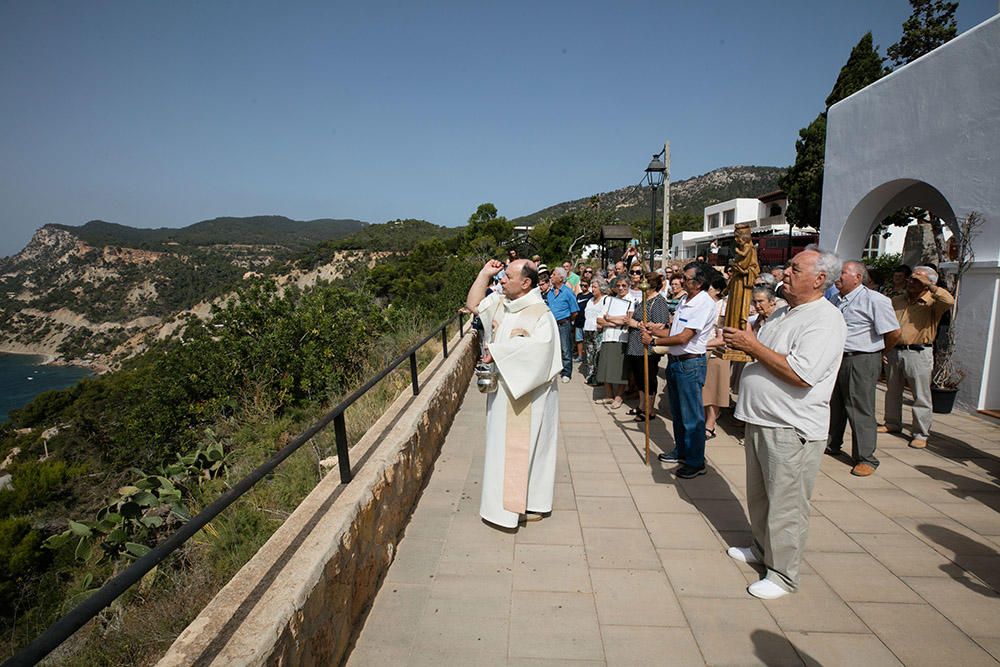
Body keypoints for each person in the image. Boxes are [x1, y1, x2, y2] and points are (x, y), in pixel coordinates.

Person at [722, 248, 846, 599]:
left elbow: (801, 374)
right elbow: (763, 353)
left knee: (786, 504)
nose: (785, 272)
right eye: (788, 266)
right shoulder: (782, 313)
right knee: (761, 497)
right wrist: (737, 345)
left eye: (795, 268)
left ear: (819, 279)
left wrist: (751, 346)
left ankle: (783, 574)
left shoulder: (825, 319)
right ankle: (762, 549)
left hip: (791, 427)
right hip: (762, 419)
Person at [465, 259, 562, 529]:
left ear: (526, 282)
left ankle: (520, 506)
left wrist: (496, 352)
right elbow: (473, 305)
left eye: (507, 276)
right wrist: (484, 273)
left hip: (529, 394)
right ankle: (510, 506)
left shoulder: (540, 314)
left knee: (524, 449)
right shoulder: (501, 304)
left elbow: (540, 351)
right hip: (503, 391)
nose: (502, 280)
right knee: (502, 449)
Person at [826, 261, 901, 476]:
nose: (837, 277)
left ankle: (866, 457)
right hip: (837, 358)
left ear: (857, 277)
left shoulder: (875, 300)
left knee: (859, 408)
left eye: (842, 273)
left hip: (861, 358)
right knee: (835, 404)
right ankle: (832, 443)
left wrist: (879, 352)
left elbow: (894, 332)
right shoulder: (835, 299)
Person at [644, 262, 717, 478]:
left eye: (686, 278)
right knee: (677, 412)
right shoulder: (686, 299)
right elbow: (674, 331)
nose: (681, 281)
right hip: (676, 361)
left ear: (699, 282)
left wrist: (654, 340)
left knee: (692, 416)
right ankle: (682, 450)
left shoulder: (703, 303)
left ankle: (695, 461)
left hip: (690, 364)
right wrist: (654, 330)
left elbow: (685, 337)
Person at [880, 265, 954, 448]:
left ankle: (920, 433)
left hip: (919, 352)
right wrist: (884, 348)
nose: (911, 282)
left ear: (929, 283)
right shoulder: (897, 300)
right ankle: (892, 423)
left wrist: (930, 286)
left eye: (917, 280)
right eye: (911, 278)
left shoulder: (933, 302)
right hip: (894, 350)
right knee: (892, 391)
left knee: (921, 395)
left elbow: (949, 300)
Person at [623, 272, 668, 421]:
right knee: (639, 378)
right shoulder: (644, 299)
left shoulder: (658, 301)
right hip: (636, 345)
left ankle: (649, 409)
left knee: (648, 377)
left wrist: (635, 324)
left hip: (647, 347)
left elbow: (660, 325)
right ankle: (642, 405)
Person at [702, 273, 731, 439]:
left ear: (718, 290)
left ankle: (710, 424)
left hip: (715, 351)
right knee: (704, 388)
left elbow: (721, 336)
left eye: (710, 288)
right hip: (701, 349)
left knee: (714, 390)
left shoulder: (723, 307)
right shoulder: (703, 304)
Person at [595, 277, 631, 408]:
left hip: (622, 338)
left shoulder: (632, 300)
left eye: (624, 285)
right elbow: (599, 319)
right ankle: (609, 395)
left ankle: (619, 397)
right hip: (607, 337)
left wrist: (609, 319)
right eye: (618, 285)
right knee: (605, 367)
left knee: (620, 369)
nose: (621, 288)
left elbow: (627, 320)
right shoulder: (609, 300)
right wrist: (614, 322)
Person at [544, 268, 579, 383]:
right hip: (551, 324)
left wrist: (567, 320)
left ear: (561, 278)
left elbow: (575, 311)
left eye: (554, 274)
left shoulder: (568, 292)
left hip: (564, 324)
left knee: (565, 348)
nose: (551, 277)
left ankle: (566, 372)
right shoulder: (550, 293)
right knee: (552, 348)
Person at [581, 280, 607, 385]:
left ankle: (598, 378)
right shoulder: (590, 300)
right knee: (589, 355)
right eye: (592, 287)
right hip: (588, 330)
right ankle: (590, 376)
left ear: (601, 288)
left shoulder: (605, 299)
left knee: (598, 355)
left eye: (595, 287)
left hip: (598, 331)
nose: (592, 289)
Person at [573, 278, 592, 362]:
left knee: (587, 340)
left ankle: (588, 356)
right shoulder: (579, 295)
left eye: (585, 285)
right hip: (578, 320)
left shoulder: (591, 296)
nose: (583, 287)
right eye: (581, 285)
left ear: (589, 286)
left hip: (586, 321)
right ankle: (580, 356)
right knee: (578, 339)